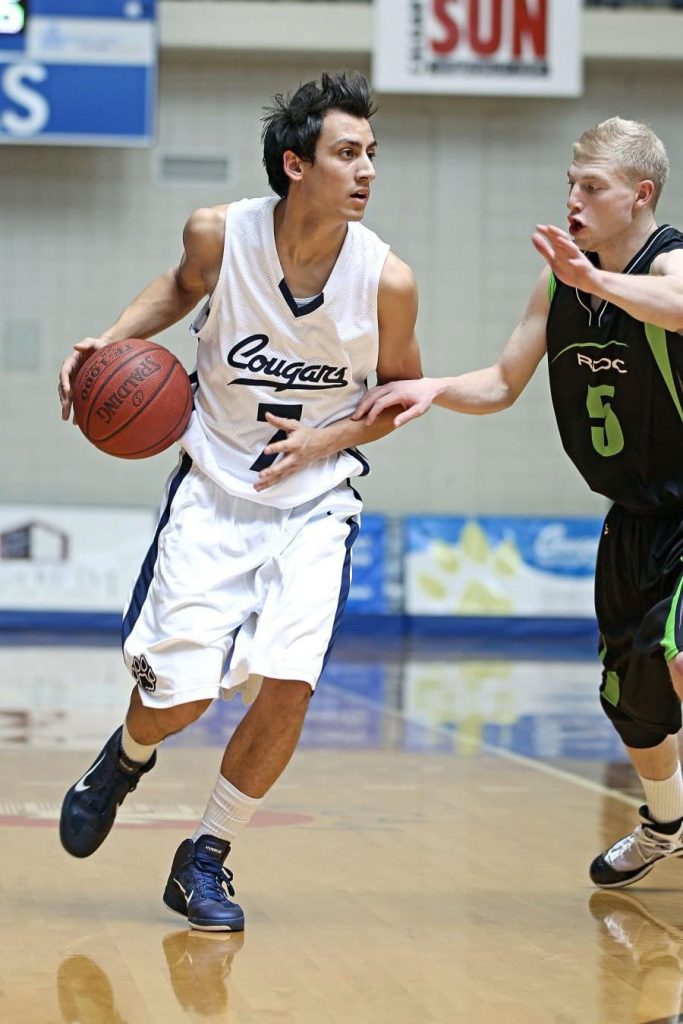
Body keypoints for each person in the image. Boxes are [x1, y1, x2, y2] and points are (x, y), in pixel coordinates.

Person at [56, 70, 422, 931]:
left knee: (288, 684)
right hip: (214, 489)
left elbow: (401, 395)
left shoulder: (388, 280)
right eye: (346, 153)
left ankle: (205, 858)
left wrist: (328, 439)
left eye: (371, 154)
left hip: (314, 502)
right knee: (177, 699)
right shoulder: (219, 234)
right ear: (295, 165)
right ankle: (126, 756)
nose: (366, 170)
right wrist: (111, 342)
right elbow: (181, 288)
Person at [354, 116, 683, 890]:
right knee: (630, 700)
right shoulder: (556, 286)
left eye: (590, 187)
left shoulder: (667, 260)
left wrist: (596, 280)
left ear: (638, 195)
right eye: (569, 183)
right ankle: (666, 826)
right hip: (633, 517)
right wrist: (433, 388)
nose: (572, 198)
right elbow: (502, 383)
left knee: (678, 657)